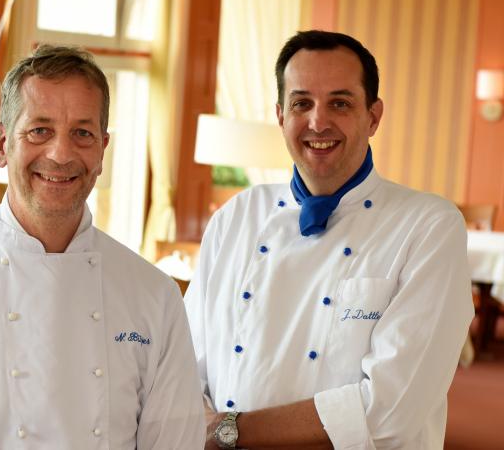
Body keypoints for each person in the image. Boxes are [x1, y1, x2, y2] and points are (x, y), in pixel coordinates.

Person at [0, 44, 205, 449]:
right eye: (39, 130)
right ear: (1, 144)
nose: (60, 154)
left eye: (82, 133)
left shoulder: (156, 297)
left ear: (102, 151)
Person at [184, 30, 473, 449]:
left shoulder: (428, 226)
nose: (318, 122)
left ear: (373, 117)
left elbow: (389, 412)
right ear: (280, 116)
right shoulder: (235, 217)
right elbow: (183, 367)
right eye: (301, 103)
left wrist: (228, 431)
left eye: (340, 103)